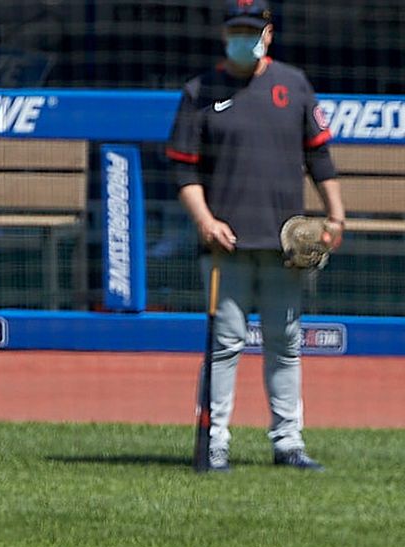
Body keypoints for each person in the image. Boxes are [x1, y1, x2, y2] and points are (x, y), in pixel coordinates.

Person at [165, 0, 342, 473]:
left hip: (284, 244)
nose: (243, 36)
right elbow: (184, 171)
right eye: (235, 29)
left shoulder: (294, 84)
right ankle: (215, 441)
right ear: (225, 35)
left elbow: (320, 158)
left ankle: (288, 442)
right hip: (225, 243)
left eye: (252, 28)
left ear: (268, 33)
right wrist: (204, 221)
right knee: (224, 343)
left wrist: (336, 217)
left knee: (286, 342)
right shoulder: (200, 91)